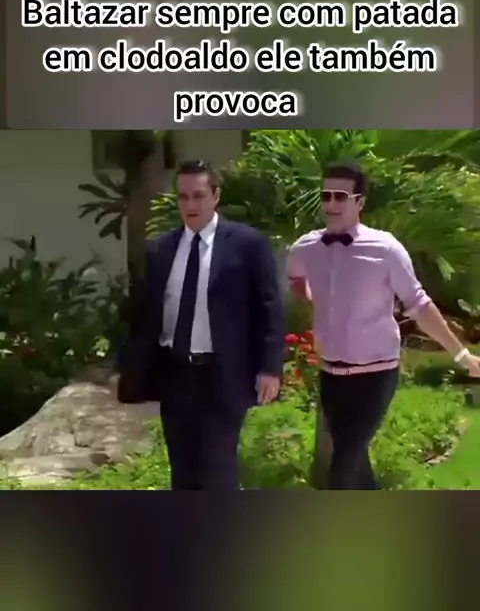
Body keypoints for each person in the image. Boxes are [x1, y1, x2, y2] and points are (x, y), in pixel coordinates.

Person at [287, 160, 480, 490]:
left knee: (342, 467)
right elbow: (296, 278)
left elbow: (419, 304)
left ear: (360, 202)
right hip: (331, 374)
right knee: (355, 465)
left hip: (376, 374)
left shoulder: (385, 249)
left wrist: (462, 355)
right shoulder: (306, 248)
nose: (331, 204)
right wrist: (311, 299)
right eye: (326, 196)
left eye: (340, 196)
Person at [117, 159, 284, 490]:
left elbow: (269, 307)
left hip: (224, 374)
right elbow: (141, 313)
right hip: (176, 374)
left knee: (217, 467)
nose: (190, 204)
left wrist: (270, 367)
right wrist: (126, 364)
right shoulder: (160, 250)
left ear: (215, 196)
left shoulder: (247, 245)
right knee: (183, 468)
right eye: (183, 197)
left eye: (198, 195)